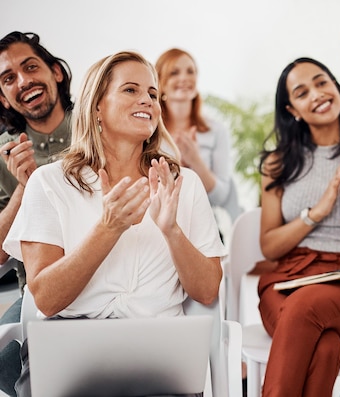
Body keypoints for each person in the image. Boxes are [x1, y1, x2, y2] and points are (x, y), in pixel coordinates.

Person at [3, 50, 226, 397]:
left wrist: (171, 231)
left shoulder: (184, 183)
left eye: (152, 93)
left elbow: (207, 291)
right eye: (131, 90)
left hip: (161, 354)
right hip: (72, 354)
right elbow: (45, 298)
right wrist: (108, 229)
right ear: (97, 107)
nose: (147, 101)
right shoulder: (49, 183)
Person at [257, 57, 340, 396]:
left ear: (336, 87)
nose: (317, 94)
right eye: (302, 92)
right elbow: (270, 247)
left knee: (306, 307)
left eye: (322, 82)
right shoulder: (277, 163)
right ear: (293, 110)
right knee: (325, 347)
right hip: (288, 278)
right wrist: (317, 212)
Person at [0, 31, 73, 397]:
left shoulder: (99, 127)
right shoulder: (3, 154)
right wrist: (25, 190)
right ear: (3, 97)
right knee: (4, 361)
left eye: (30, 67)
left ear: (56, 72)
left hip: (109, 281)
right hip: (39, 294)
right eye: (9, 78)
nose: (24, 81)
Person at [155, 48, 242, 227]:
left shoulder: (216, 131)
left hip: (204, 225)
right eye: (174, 72)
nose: (185, 78)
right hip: (156, 225)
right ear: (160, 83)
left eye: (190, 71)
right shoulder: (149, 132)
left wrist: (195, 161)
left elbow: (220, 197)